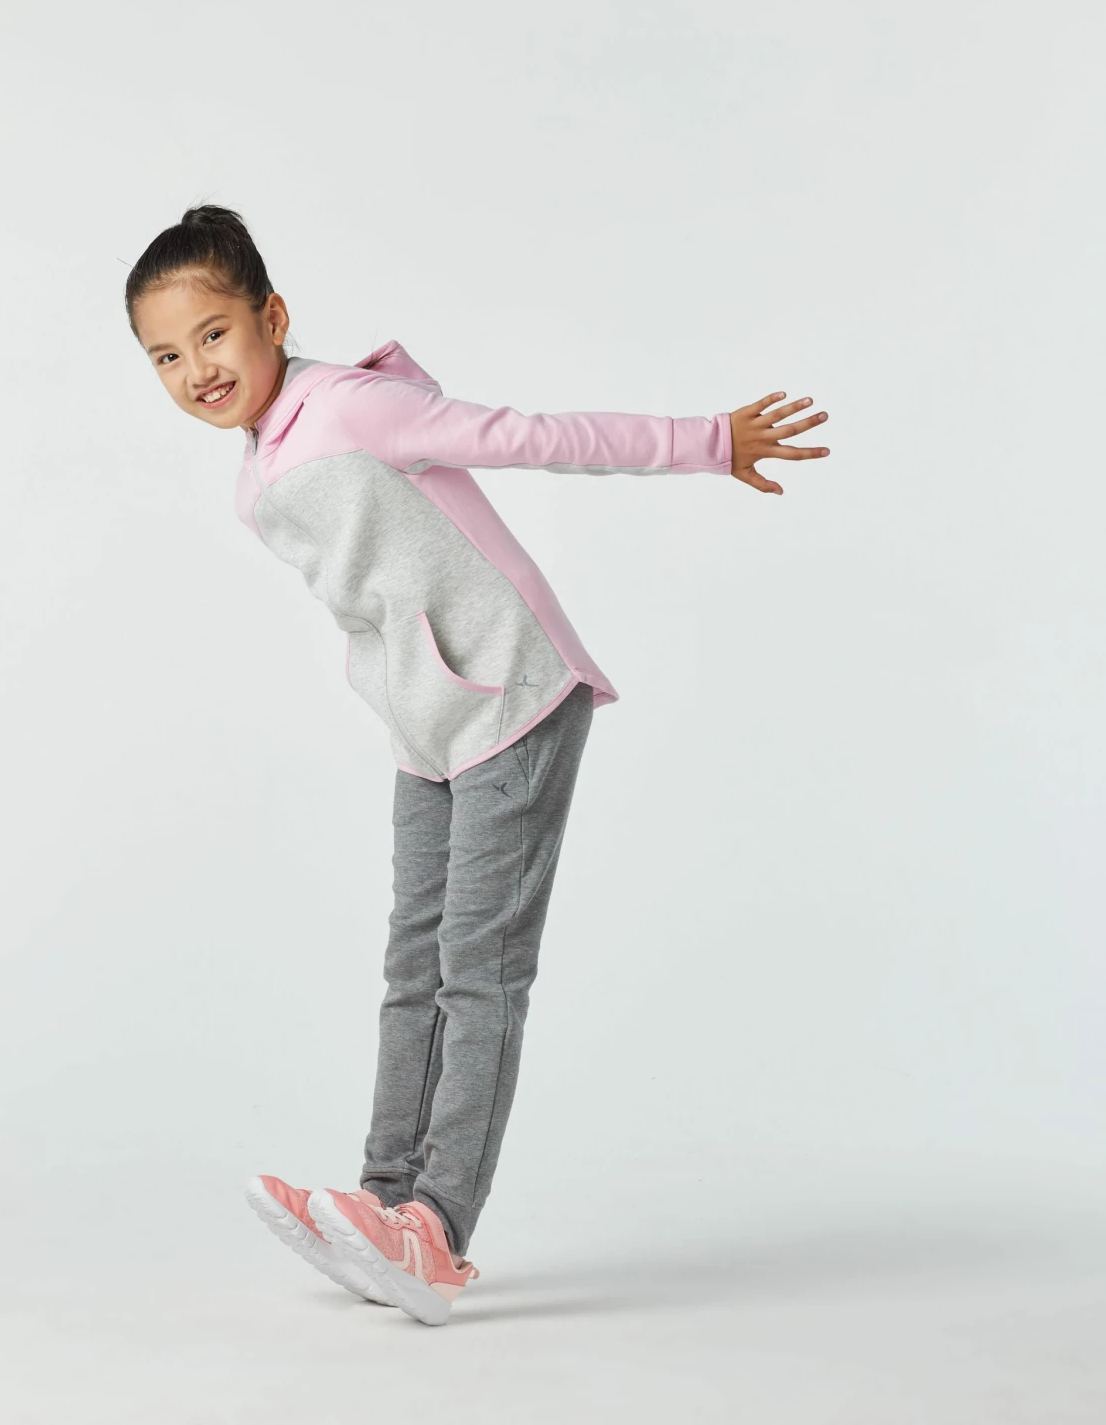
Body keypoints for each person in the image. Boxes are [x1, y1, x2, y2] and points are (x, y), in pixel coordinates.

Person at [126, 204, 831, 1325]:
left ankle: (438, 1230)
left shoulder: (349, 407)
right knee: (414, 965)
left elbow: (533, 435)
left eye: (213, 334)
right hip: (426, 728)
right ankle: (381, 1202)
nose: (197, 370)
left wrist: (708, 440)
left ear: (273, 317)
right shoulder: (255, 477)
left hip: (511, 695)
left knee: (478, 969)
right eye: (166, 356)